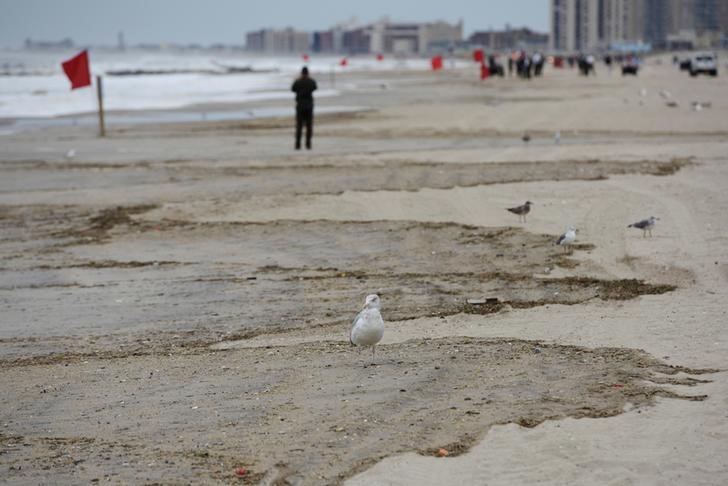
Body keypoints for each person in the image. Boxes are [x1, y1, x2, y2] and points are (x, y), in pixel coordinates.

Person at [291, 66, 317, 150]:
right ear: (308, 73)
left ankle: (298, 144)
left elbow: (293, 89)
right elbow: (315, 87)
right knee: (309, 126)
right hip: (309, 105)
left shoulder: (298, 81)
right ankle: (308, 144)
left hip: (300, 105)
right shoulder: (311, 81)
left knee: (299, 126)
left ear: (301, 73)